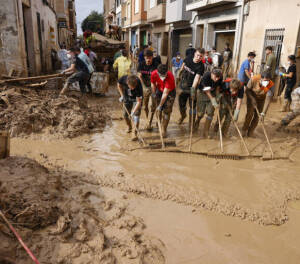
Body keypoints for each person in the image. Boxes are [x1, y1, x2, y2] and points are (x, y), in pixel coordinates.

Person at [177, 48, 205, 127]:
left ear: (202, 57)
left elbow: (196, 79)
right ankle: (183, 116)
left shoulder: (201, 66)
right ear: (195, 54)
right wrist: (178, 76)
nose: (198, 57)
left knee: (192, 106)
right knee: (181, 105)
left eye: (201, 56)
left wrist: (193, 90)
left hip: (192, 87)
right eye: (198, 55)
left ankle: (191, 124)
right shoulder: (188, 58)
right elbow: (182, 68)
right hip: (183, 86)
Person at [242, 71, 275, 137]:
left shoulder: (270, 84)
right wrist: (252, 99)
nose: (266, 83)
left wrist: (263, 113)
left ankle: (250, 132)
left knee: (258, 116)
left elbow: (268, 99)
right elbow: (247, 90)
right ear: (261, 79)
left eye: (268, 81)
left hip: (261, 99)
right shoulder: (254, 79)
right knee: (250, 114)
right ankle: (244, 130)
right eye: (265, 80)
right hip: (251, 96)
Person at [195, 68, 223, 138]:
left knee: (210, 113)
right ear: (212, 74)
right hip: (202, 93)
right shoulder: (206, 76)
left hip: (212, 93)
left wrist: (217, 97)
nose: (217, 79)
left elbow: (217, 88)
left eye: (218, 77)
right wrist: (213, 100)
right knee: (200, 113)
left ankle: (206, 132)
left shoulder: (220, 77)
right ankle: (197, 121)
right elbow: (207, 91)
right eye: (215, 77)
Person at [137, 48, 160, 129]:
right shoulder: (141, 64)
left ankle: (150, 121)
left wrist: (154, 88)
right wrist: (143, 87)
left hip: (154, 86)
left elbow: (158, 78)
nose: (148, 60)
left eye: (150, 58)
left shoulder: (156, 65)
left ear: (152, 57)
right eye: (147, 58)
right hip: (145, 86)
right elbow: (139, 76)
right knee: (145, 106)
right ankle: (147, 119)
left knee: (153, 105)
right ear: (144, 57)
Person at [151, 64, 176, 137]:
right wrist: (153, 92)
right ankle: (158, 121)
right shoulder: (154, 73)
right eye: (161, 75)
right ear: (158, 72)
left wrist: (160, 105)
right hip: (159, 90)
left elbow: (165, 94)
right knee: (157, 109)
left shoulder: (170, 77)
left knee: (167, 111)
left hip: (170, 92)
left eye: (164, 75)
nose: (163, 77)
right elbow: (152, 83)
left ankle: (164, 128)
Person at [117, 74, 143, 141]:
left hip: (136, 99)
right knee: (125, 115)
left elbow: (139, 102)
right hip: (127, 97)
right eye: (131, 87)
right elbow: (118, 85)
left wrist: (133, 113)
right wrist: (122, 95)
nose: (133, 88)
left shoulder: (139, 86)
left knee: (136, 116)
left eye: (134, 87)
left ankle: (134, 133)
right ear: (127, 83)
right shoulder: (123, 78)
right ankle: (129, 127)